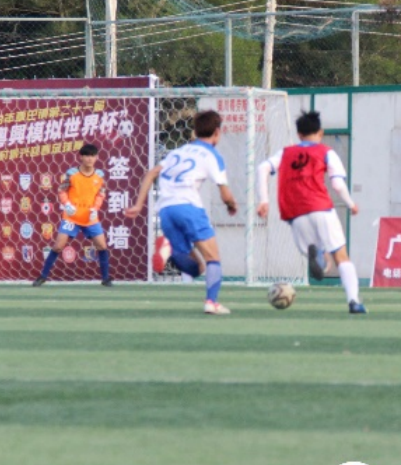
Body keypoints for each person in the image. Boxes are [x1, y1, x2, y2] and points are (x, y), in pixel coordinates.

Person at [125, 110, 238, 315]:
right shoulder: (212, 155)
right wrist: (231, 205)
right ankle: (211, 302)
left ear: (195, 131)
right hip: (188, 208)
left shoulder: (178, 152)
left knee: (197, 268)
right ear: (217, 132)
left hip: (166, 211)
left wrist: (139, 204)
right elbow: (225, 193)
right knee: (213, 258)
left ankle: (168, 250)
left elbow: (151, 173)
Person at [257, 110, 367, 314]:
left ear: (299, 134)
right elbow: (337, 185)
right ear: (321, 132)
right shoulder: (326, 152)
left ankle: (320, 257)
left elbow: (263, 167)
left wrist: (264, 200)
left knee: (314, 253)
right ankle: (353, 301)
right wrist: (351, 204)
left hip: (294, 212)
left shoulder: (285, 153)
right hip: (321, 208)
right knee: (341, 256)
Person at [33, 143, 112, 286]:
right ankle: (42, 276)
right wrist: (67, 204)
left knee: (102, 246)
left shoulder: (100, 175)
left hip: (90, 217)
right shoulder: (71, 173)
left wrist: (95, 208)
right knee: (58, 246)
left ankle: (106, 279)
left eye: (92, 156)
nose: (90, 159)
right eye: (86, 155)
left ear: (97, 157)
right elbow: (62, 190)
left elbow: (101, 194)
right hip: (71, 217)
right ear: (81, 157)